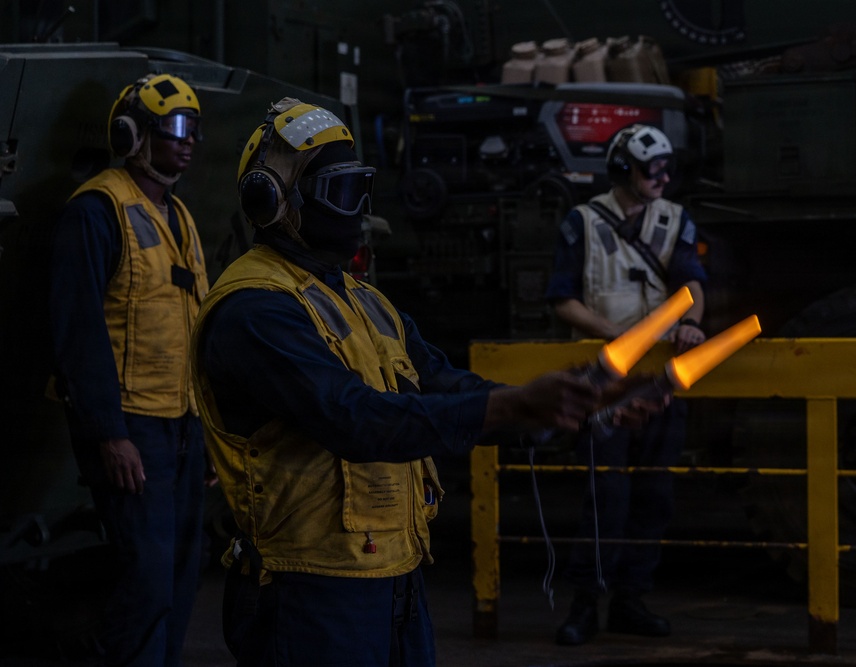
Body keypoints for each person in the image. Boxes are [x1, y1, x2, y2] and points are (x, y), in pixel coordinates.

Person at [189, 98, 651, 667]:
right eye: (339, 191)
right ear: (272, 201)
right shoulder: (255, 310)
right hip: (308, 589)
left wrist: (564, 409)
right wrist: (515, 406)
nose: (356, 209)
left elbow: (440, 384)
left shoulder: (363, 301)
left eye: (362, 188)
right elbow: (355, 420)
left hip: (392, 574)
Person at [48, 73, 210, 666]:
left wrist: (209, 436)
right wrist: (110, 434)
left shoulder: (180, 217)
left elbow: (195, 327)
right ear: (130, 134)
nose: (187, 141)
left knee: (176, 579)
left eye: (193, 129)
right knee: (145, 578)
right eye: (173, 128)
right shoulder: (96, 212)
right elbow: (79, 333)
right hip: (133, 430)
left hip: (184, 426)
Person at [544, 123, 708, 646]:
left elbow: (691, 286)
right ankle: (586, 603)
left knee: (653, 494)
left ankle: (631, 600)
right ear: (622, 170)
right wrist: (619, 336)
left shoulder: (673, 220)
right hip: (605, 385)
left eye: (665, 168)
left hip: (658, 385)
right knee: (604, 495)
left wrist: (689, 322)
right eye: (649, 168)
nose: (661, 177)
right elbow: (562, 298)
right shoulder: (584, 222)